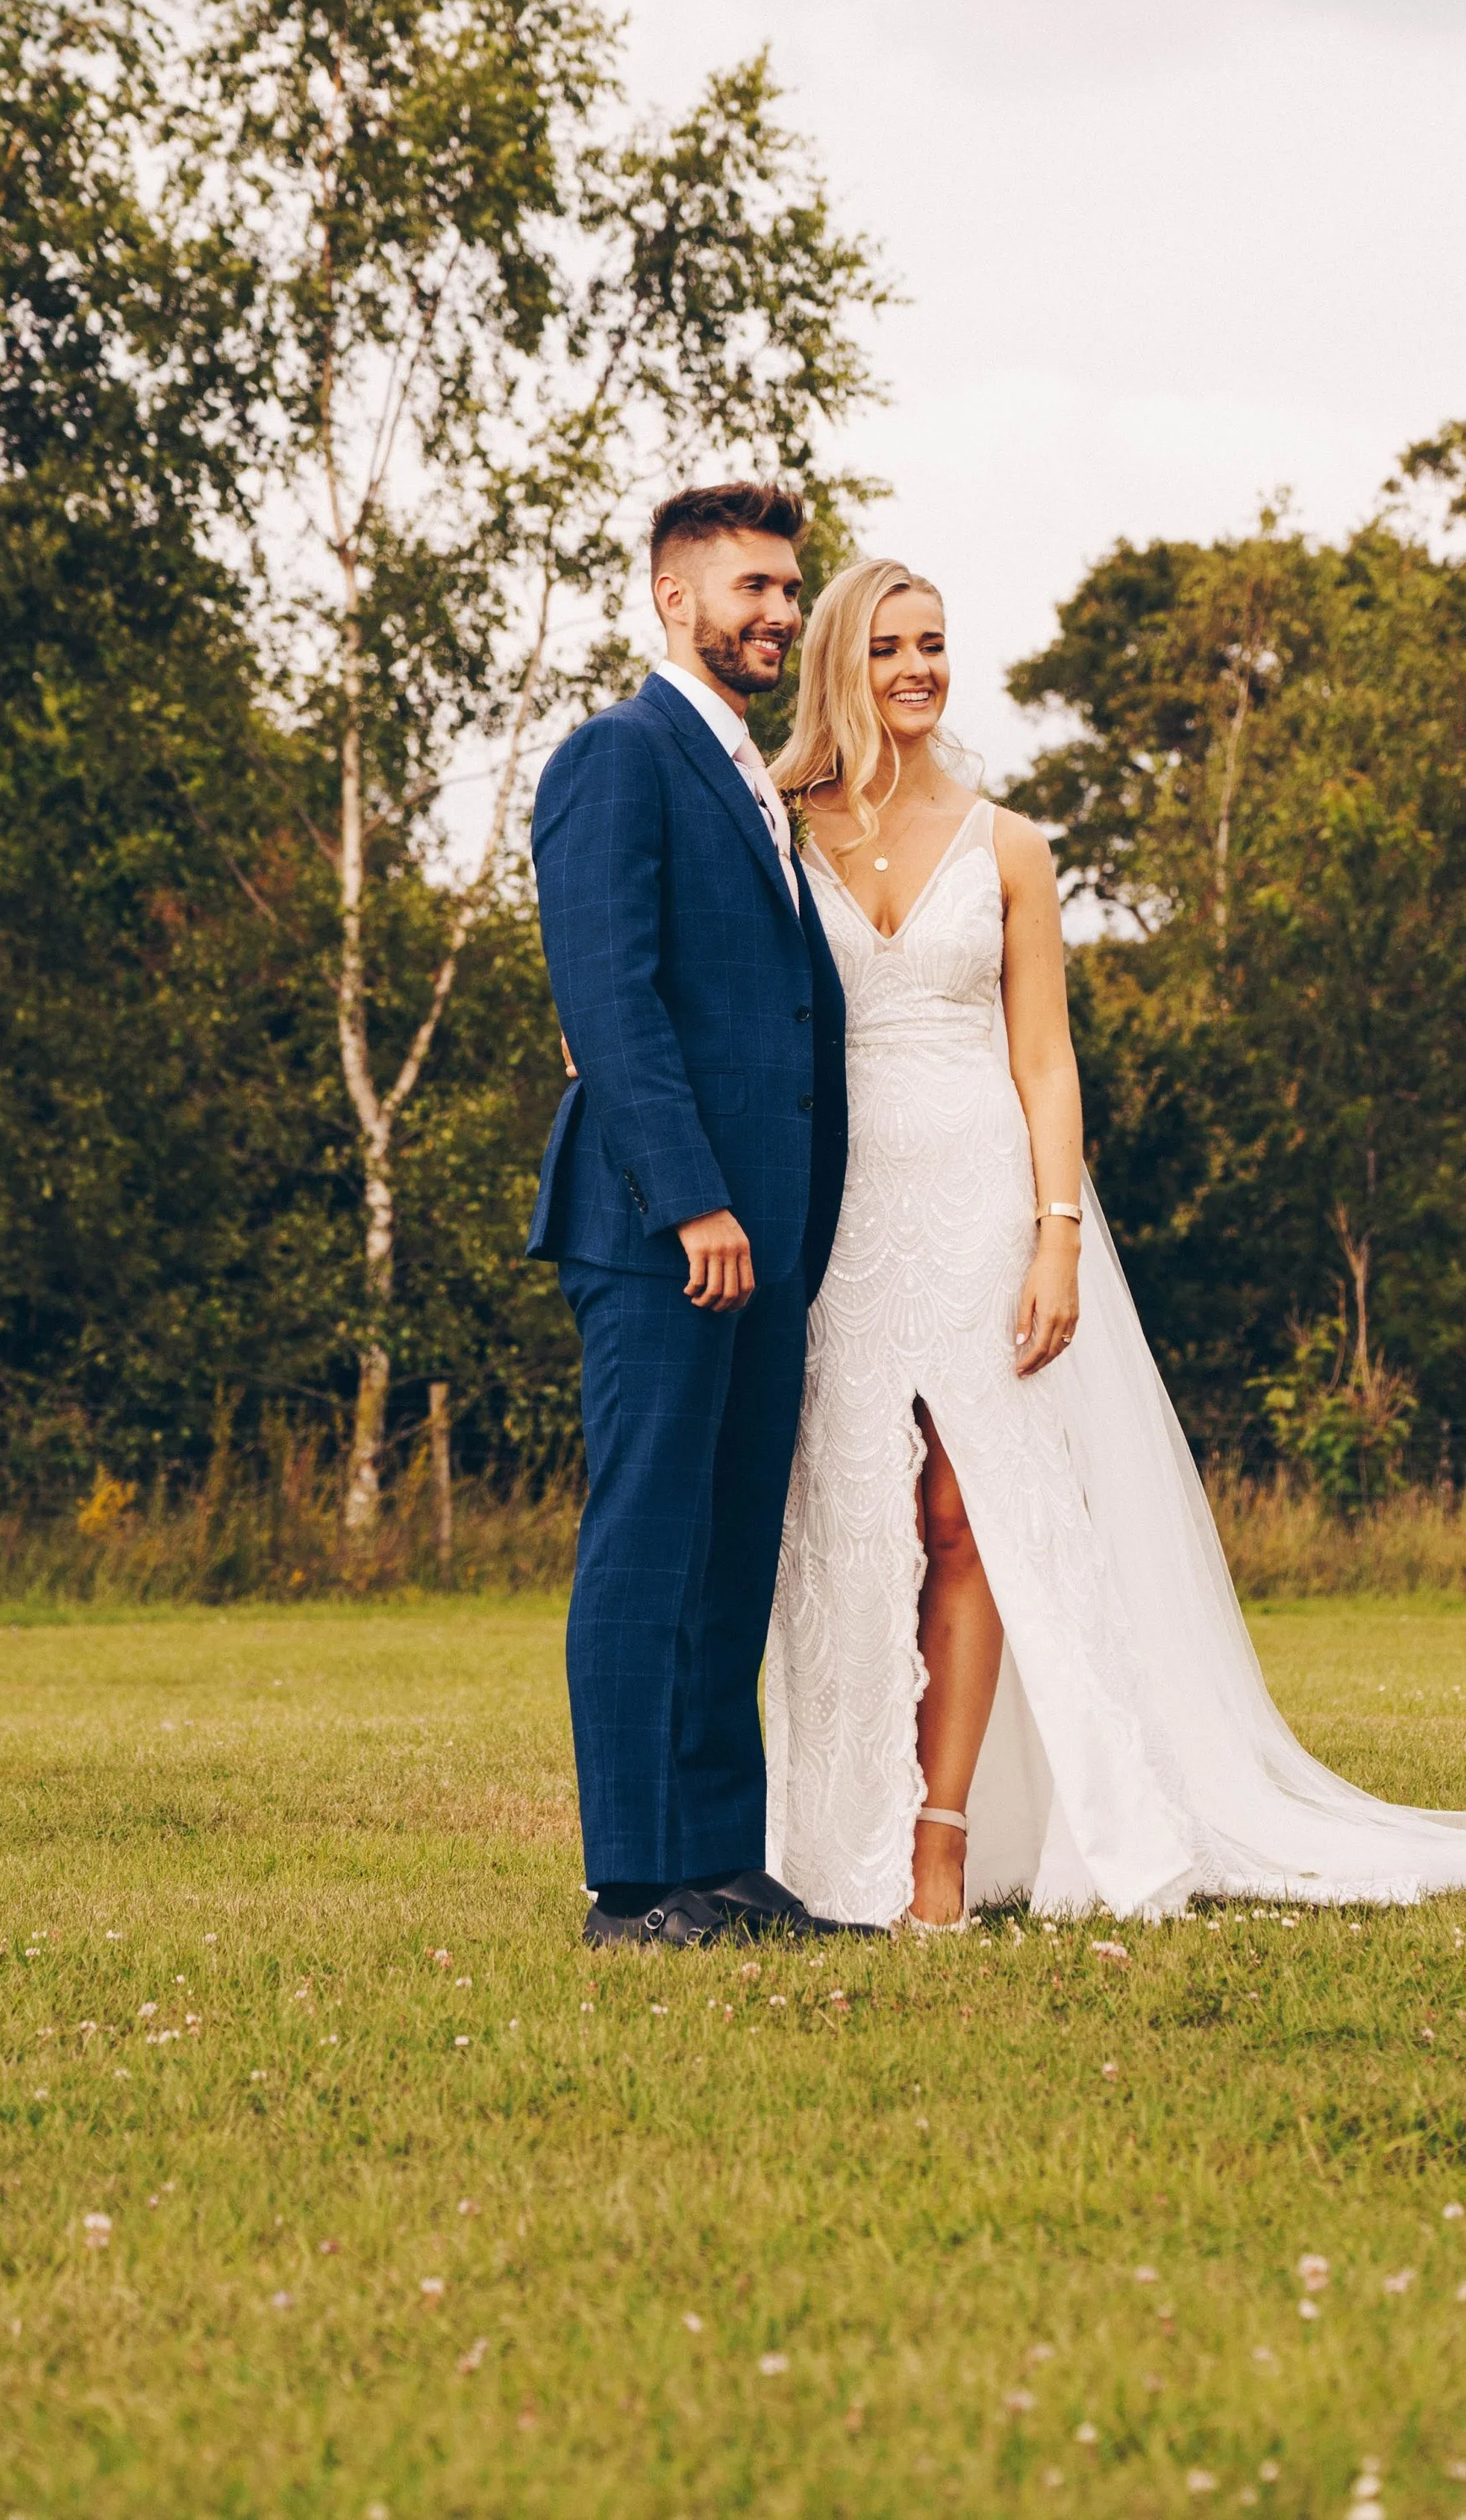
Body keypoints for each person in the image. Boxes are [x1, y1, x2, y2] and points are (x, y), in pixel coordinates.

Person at [763, 557, 1466, 1930]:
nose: (919, 668)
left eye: (936, 643)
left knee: (969, 1514)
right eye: (890, 647)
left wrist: (1055, 1237)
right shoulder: (780, 827)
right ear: (838, 667)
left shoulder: (1010, 846)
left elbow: (1045, 1061)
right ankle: (830, 1836)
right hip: (842, 1210)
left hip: (982, 1198)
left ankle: (939, 1841)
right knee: (859, 1520)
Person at [526, 483, 854, 1948]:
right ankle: (633, 1886)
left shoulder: (753, 779)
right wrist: (697, 1205)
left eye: (790, 587)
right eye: (752, 588)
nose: (780, 611)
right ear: (674, 597)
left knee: (732, 1549)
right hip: (669, 1232)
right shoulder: (620, 757)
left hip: (765, 1244)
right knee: (650, 1541)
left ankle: (722, 1864)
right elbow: (611, 1002)